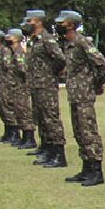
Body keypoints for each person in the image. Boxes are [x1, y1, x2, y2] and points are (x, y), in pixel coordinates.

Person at [55, 10, 105, 187]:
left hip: (84, 95)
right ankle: (86, 168)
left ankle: (97, 171)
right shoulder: (68, 44)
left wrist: (96, 84)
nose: (59, 26)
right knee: (79, 132)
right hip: (75, 95)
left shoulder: (82, 42)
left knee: (88, 131)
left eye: (62, 23)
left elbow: (101, 62)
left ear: (71, 24)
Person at [21, 9, 67, 167]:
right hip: (36, 85)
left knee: (51, 119)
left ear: (38, 22)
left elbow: (60, 58)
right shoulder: (34, 41)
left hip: (46, 86)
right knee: (41, 118)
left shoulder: (47, 39)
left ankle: (59, 154)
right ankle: (48, 149)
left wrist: (51, 72)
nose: (27, 24)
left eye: (29, 21)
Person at [2, 29, 33, 148]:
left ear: (17, 38)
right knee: (19, 112)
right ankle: (24, 138)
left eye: (11, 37)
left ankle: (29, 138)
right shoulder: (14, 52)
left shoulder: (19, 52)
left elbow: (23, 69)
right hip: (15, 87)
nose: (8, 39)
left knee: (24, 111)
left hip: (21, 88)